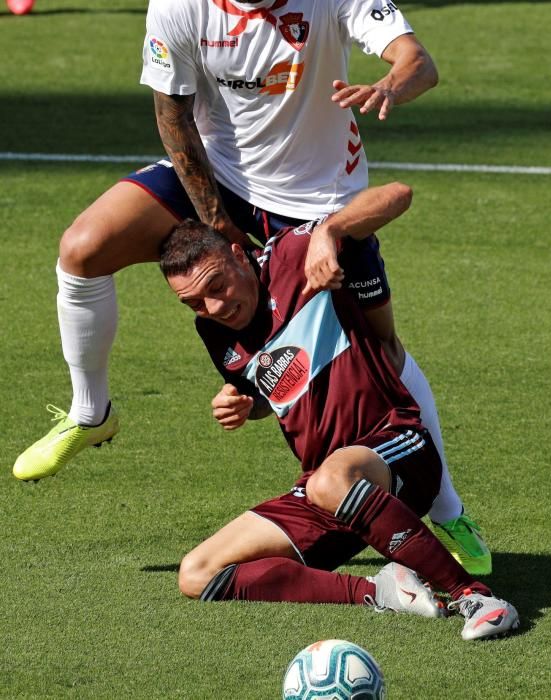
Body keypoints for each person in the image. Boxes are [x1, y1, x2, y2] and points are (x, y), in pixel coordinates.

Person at [12, 0, 490, 576]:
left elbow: (418, 61)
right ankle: (92, 413)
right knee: (82, 248)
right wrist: (215, 221)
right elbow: (173, 113)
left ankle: (449, 510)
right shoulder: (178, 6)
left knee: (376, 351)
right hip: (222, 176)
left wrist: (390, 83)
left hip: (317, 199)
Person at [158, 183, 519, 642]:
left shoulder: (292, 256)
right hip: (329, 491)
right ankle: (380, 590)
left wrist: (331, 230)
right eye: (193, 303)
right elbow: (273, 395)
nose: (214, 308)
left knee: (332, 479)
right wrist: (244, 405)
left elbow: (399, 194)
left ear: (236, 254)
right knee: (197, 572)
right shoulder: (214, 330)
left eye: (216, 286)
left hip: (398, 446)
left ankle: (475, 596)